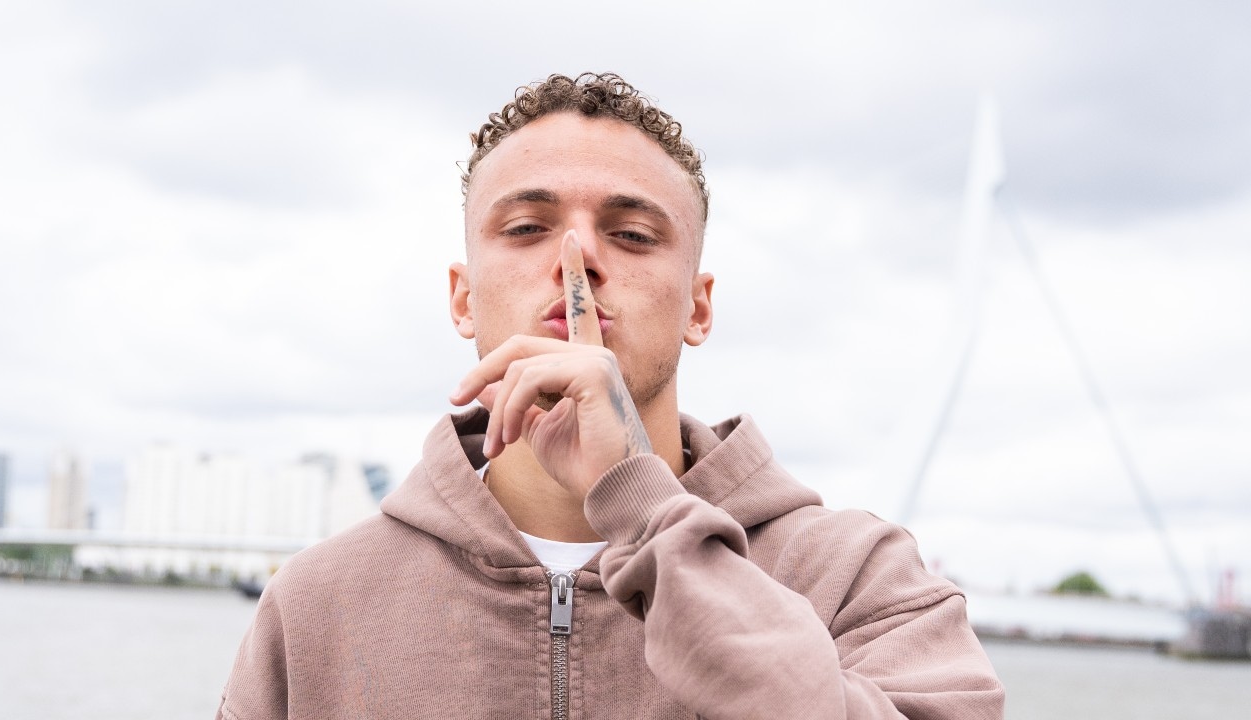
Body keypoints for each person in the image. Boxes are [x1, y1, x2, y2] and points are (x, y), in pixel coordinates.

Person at [216, 72, 1004, 720]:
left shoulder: (857, 575)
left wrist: (641, 505)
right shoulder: (315, 605)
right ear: (462, 299)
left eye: (631, 234)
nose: (578, 257)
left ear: (698, 308)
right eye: (526, 227)